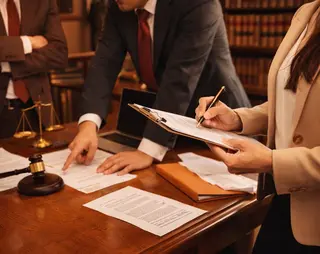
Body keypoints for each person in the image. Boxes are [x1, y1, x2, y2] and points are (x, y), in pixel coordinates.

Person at [63, 0, 251, 174]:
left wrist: (148, 151)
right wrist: (88, 125)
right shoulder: (120, 6)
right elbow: (104, 64)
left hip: (219, 123)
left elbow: (180, 79)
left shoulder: (197, 2)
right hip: (170, 126)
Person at [195, 1, 320, 253]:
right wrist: (240, 119)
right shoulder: (308, 12)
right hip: (288, 199)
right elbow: (294, 100)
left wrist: (272, 162)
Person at [0, 0, 68, 139]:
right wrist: (28, 42)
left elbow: (59, 54)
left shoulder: (43, 2)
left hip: (37, 109)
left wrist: (7, 63)